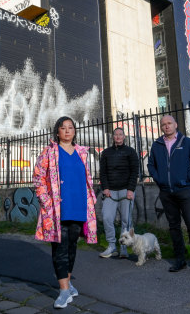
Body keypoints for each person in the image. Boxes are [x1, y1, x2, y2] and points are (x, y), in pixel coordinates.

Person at [33, 116, 97, 309]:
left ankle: (67, 284)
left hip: (79, 206)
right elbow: (38, 178)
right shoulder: (49, 152)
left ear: (74, 131)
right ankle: (63, 291)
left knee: (72, 247)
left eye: (71, 127)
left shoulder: (82, 152)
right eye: (63, 128)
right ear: (57, 132)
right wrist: (46, 201)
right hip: (58, 208)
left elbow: (87, 178)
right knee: (60, 248)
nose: (67, 131)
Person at [147, 115, 190, 275]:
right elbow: (150, 165)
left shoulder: (186, 142)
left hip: (185, 191)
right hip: (166, 192)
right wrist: (159, 179)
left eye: (169, 123)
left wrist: (187, 177)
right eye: (163, 124)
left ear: (176, 124)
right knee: (174, 227)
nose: (166, 126)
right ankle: (180, 260)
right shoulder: (157, 144)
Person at [99, 127, 139, 258]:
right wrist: (105, 188)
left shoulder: (131, 152)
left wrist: (130, 189)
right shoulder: (105, 153)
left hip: (125, 191)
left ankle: (124, 248)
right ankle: (111, 246)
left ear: (124, 137)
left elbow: (134, 172)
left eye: (120, 134)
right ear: (113, 137)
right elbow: (103, 173)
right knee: (106, 217)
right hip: (110, 191)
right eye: (116, 134)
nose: (118, 137)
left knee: (126, 221)